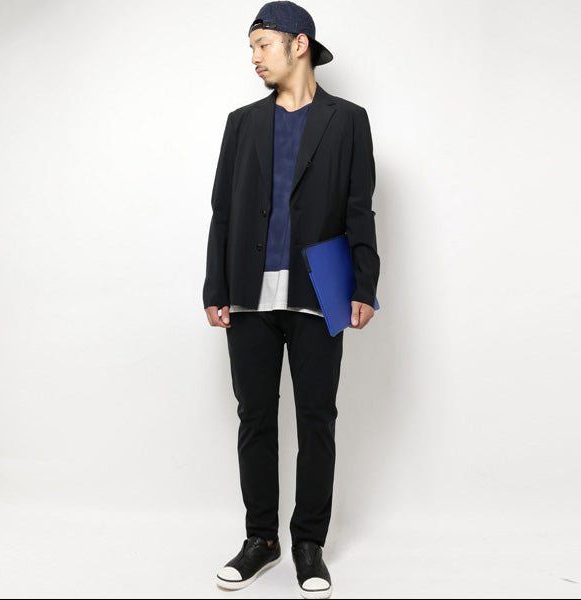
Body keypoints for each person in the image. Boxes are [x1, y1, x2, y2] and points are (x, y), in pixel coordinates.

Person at [202, 2, 380, 598]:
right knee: (254, 417)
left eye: (262, 44)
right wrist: (215, 287)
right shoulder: (242, 123)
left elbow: (359, 207)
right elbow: (223, 211)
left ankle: (308, 543)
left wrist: (364, 284)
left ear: (298, 44)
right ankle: (261, 539)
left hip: (320, 287)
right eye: (251, 47)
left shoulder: (347, 120)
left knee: (317, 419)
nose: (254, 57)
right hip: (248, 291)